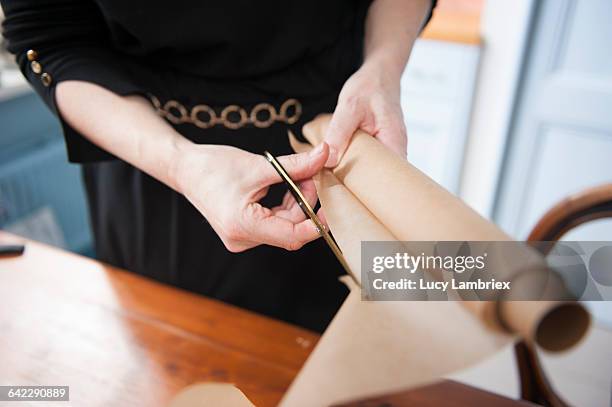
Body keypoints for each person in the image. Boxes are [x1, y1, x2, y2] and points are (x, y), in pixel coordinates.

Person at [1, 0, 436, 332]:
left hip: (335, 148)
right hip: (154, 161)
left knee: (339, 340)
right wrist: (181, 163)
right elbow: (51, 34)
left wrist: (383, 68)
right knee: (171, 346)